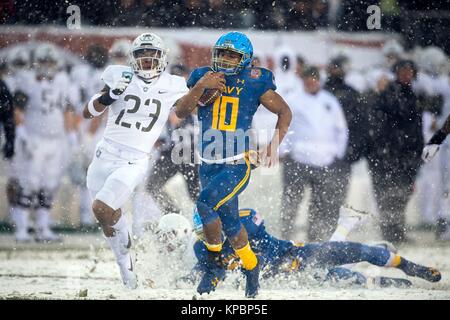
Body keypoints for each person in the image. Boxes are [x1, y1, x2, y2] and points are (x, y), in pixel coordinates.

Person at [174, 31, 292, 298]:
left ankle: (213, 265)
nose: (226, 59)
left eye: (232, 55)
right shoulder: (203, 76)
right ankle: (251, 266)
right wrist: (201, 85)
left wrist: (273, 145)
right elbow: (180, 111)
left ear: (245, 59)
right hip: (208, 163)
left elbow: (285, 111)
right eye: (222, 53)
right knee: (230, 224)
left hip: (237, 163)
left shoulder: (254, 81)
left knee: (204, 204)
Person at [83, 33, 189, 289]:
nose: (148, 61)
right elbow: (88, 112)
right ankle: (127, 269)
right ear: (133, 58)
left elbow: (190, 105)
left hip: (134, 160)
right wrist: (109, 97)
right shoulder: (118, 74)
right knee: (107, 216)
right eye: (142, 55)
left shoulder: (174, 83)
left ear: (162, 59)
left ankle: (127, 253)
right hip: (104, 155)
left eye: (152, 56)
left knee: (102, 207)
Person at [190, 207, 441, 294]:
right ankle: (385, 279)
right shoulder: (201, 248)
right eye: (203, 234)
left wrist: (242, 263)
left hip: (294, 256)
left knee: (357, 251)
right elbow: (201, 273)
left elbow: (263, 252)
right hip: (286, 279)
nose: (209, 239)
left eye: (210, 231)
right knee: (354, 280)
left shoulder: (245, 223)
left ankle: (409, 267)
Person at [10, 43, 77, 242]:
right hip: (34, 138)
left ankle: (42, 228)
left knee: (49, 184)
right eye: (43, 61)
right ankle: (21, 229)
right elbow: (18, 108)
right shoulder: (27, 80)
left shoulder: (63, 81)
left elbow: (67, 109)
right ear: (36, 63)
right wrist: (21, 131)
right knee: (29, 184)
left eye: (50, 61)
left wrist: (71, 134)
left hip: (55, 140)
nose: (47, 65)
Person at [279, 66, 348, 241]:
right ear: (302, 80)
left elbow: (341, 129)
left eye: (314, 79)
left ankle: (315, 238)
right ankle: (286, 237)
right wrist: (283, 150)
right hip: (298, 158)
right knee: (291, 201)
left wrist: (337, 154)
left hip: (325, 160)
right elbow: (283, 126)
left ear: (319, 81)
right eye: (308, 79)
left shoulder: (330, 101)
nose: (311, 83)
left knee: (320, 203)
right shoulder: (293, 100)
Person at [367, 60, 423, 244]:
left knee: (402, 195)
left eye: (410, 71)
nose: (407, 75)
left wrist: (416, 153)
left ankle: (397, 232)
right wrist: (387, 150)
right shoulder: (388, 95)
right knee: (387, 196)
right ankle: (389, 234)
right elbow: (381, 126)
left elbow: (416, 128)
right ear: (396, 73)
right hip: (389, 156)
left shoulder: (413, 95)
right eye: (403, 71)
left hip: (407, 156)